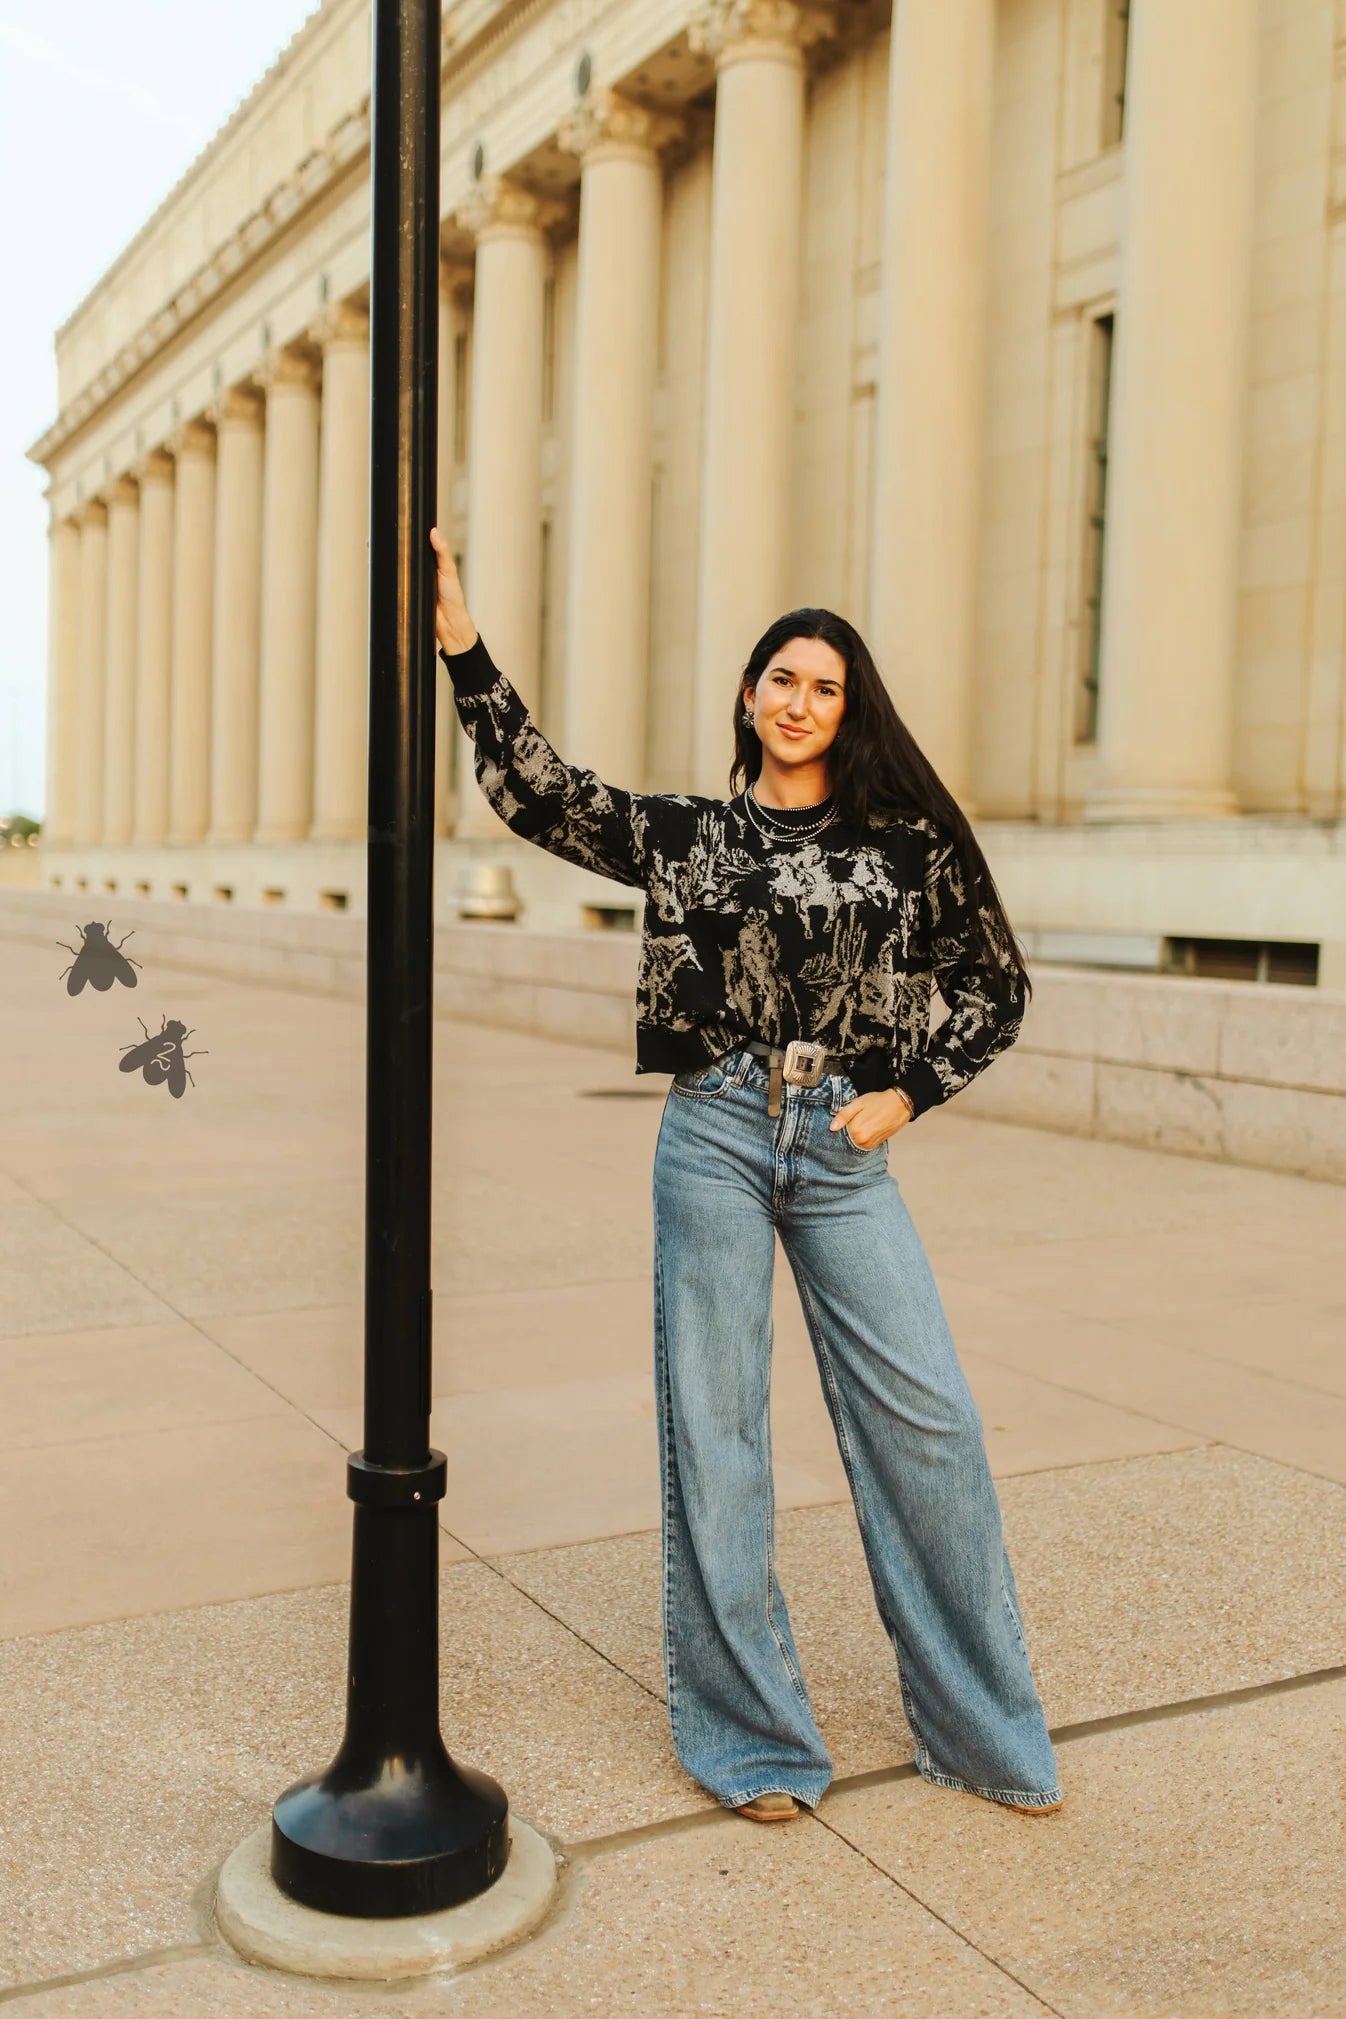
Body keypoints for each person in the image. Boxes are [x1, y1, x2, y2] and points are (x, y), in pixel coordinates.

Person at [429, 526, 1062, 1825]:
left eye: (825, 686)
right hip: (711, 1138)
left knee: (929, 1424)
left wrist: (905, 1093)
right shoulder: (685, 836)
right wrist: (459, 643)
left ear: (848, 709)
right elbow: (537, 792)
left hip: (839, 1150)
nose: (799, 701)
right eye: (782, 677)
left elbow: (992, 986)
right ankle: (755, 1744)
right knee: (716, 1440)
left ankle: (984, 1732)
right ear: (746, 693)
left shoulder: (904, 844)